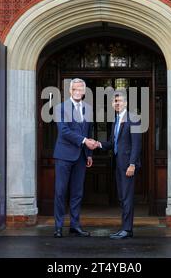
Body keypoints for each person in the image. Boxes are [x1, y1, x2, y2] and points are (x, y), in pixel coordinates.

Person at [53, 78, 98, 238]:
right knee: (60, 192)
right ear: (70, 91)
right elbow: (64, 131)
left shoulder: (88, 109)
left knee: (77, 193)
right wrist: (85, 141)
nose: (78, 91)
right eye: (75, 89)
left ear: (84, 91)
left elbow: (89, 132)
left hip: (81, 156)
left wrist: (89, 153)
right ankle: (58, 227)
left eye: (81, 89)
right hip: (64, 155)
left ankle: (75, 226)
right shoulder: (60, 108)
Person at [96, 91, 142, 239]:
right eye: (114, 101)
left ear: (126, 103)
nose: (117, 103)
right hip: (118, 165)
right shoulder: (115, 121)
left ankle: (127, 230)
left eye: (120, 101)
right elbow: (111, 144)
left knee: (127, 197)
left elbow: (136, 145)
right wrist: (97, 144)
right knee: (122, 197)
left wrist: (132, 164)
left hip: (128, 166)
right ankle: (125, 228)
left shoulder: (133, 119)